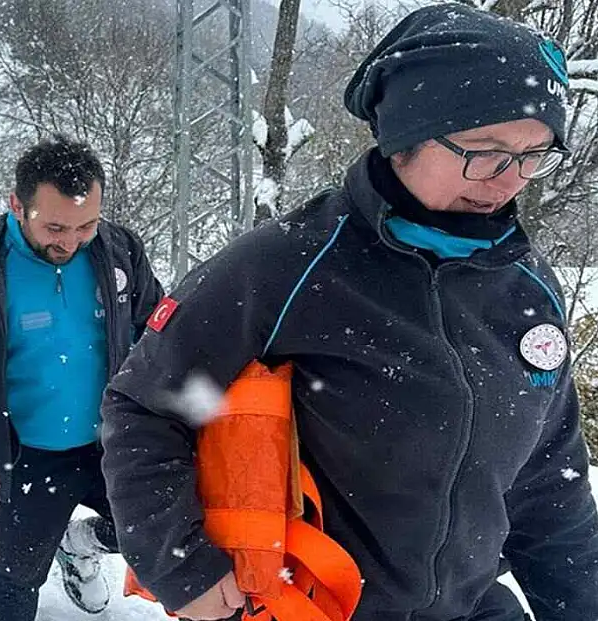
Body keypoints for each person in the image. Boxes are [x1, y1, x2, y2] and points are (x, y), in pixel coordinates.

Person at [100, 5, 598, 621]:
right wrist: (183, 566)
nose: (508, 180)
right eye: (484, 150)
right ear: (405, 137)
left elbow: (551, 484)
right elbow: (145, 407)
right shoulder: (288, 265)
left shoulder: (528, 289)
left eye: (534, 155)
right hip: (314, 602)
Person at [0, 134, 164, 620]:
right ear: (16, 204)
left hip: (112, 444)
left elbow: (157, 331)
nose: (70, 242)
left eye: (85, 225)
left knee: (164, 533)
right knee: (16, 580)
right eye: (54, 227)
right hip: (27, 458)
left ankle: (79, 543)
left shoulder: (118, 250)